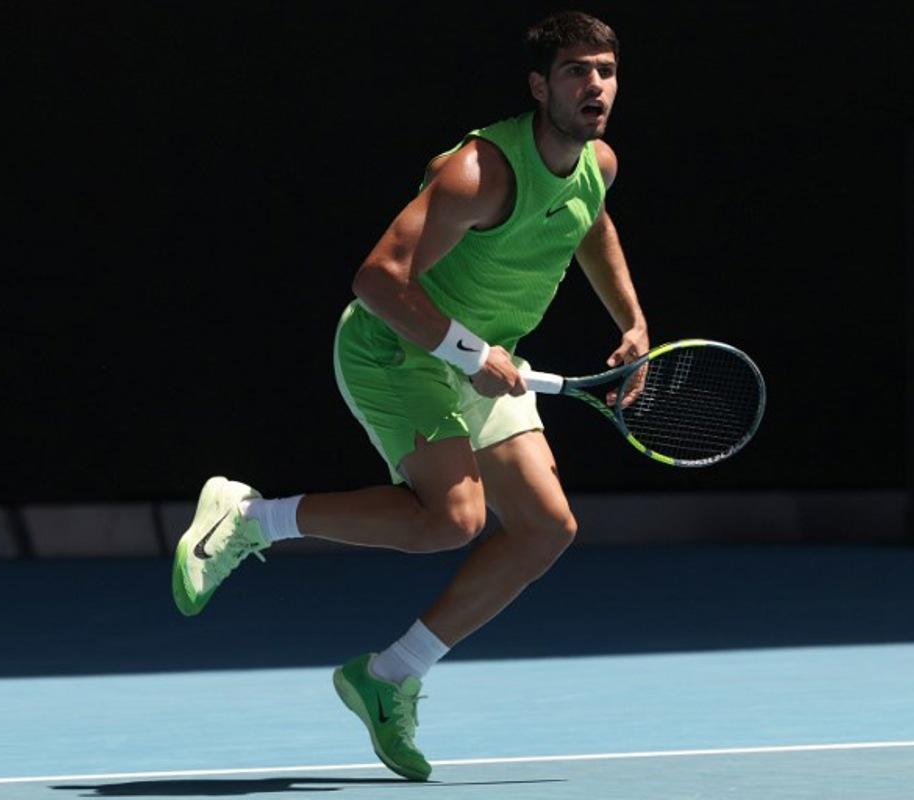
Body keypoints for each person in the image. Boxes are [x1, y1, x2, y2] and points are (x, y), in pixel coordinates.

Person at [171, 11, 647, 782]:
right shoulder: (480, 171)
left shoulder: (599, 163)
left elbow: (589, 225)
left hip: (486, 355)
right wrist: (468, 351)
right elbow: (376, 280)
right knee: (450, 522)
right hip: (397, 346)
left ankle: (388, 676)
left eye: (605, 71)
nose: (595, 86)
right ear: (539, 86)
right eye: (575, 72)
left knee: (544, 529)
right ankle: (252, 518)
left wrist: (631, 320)